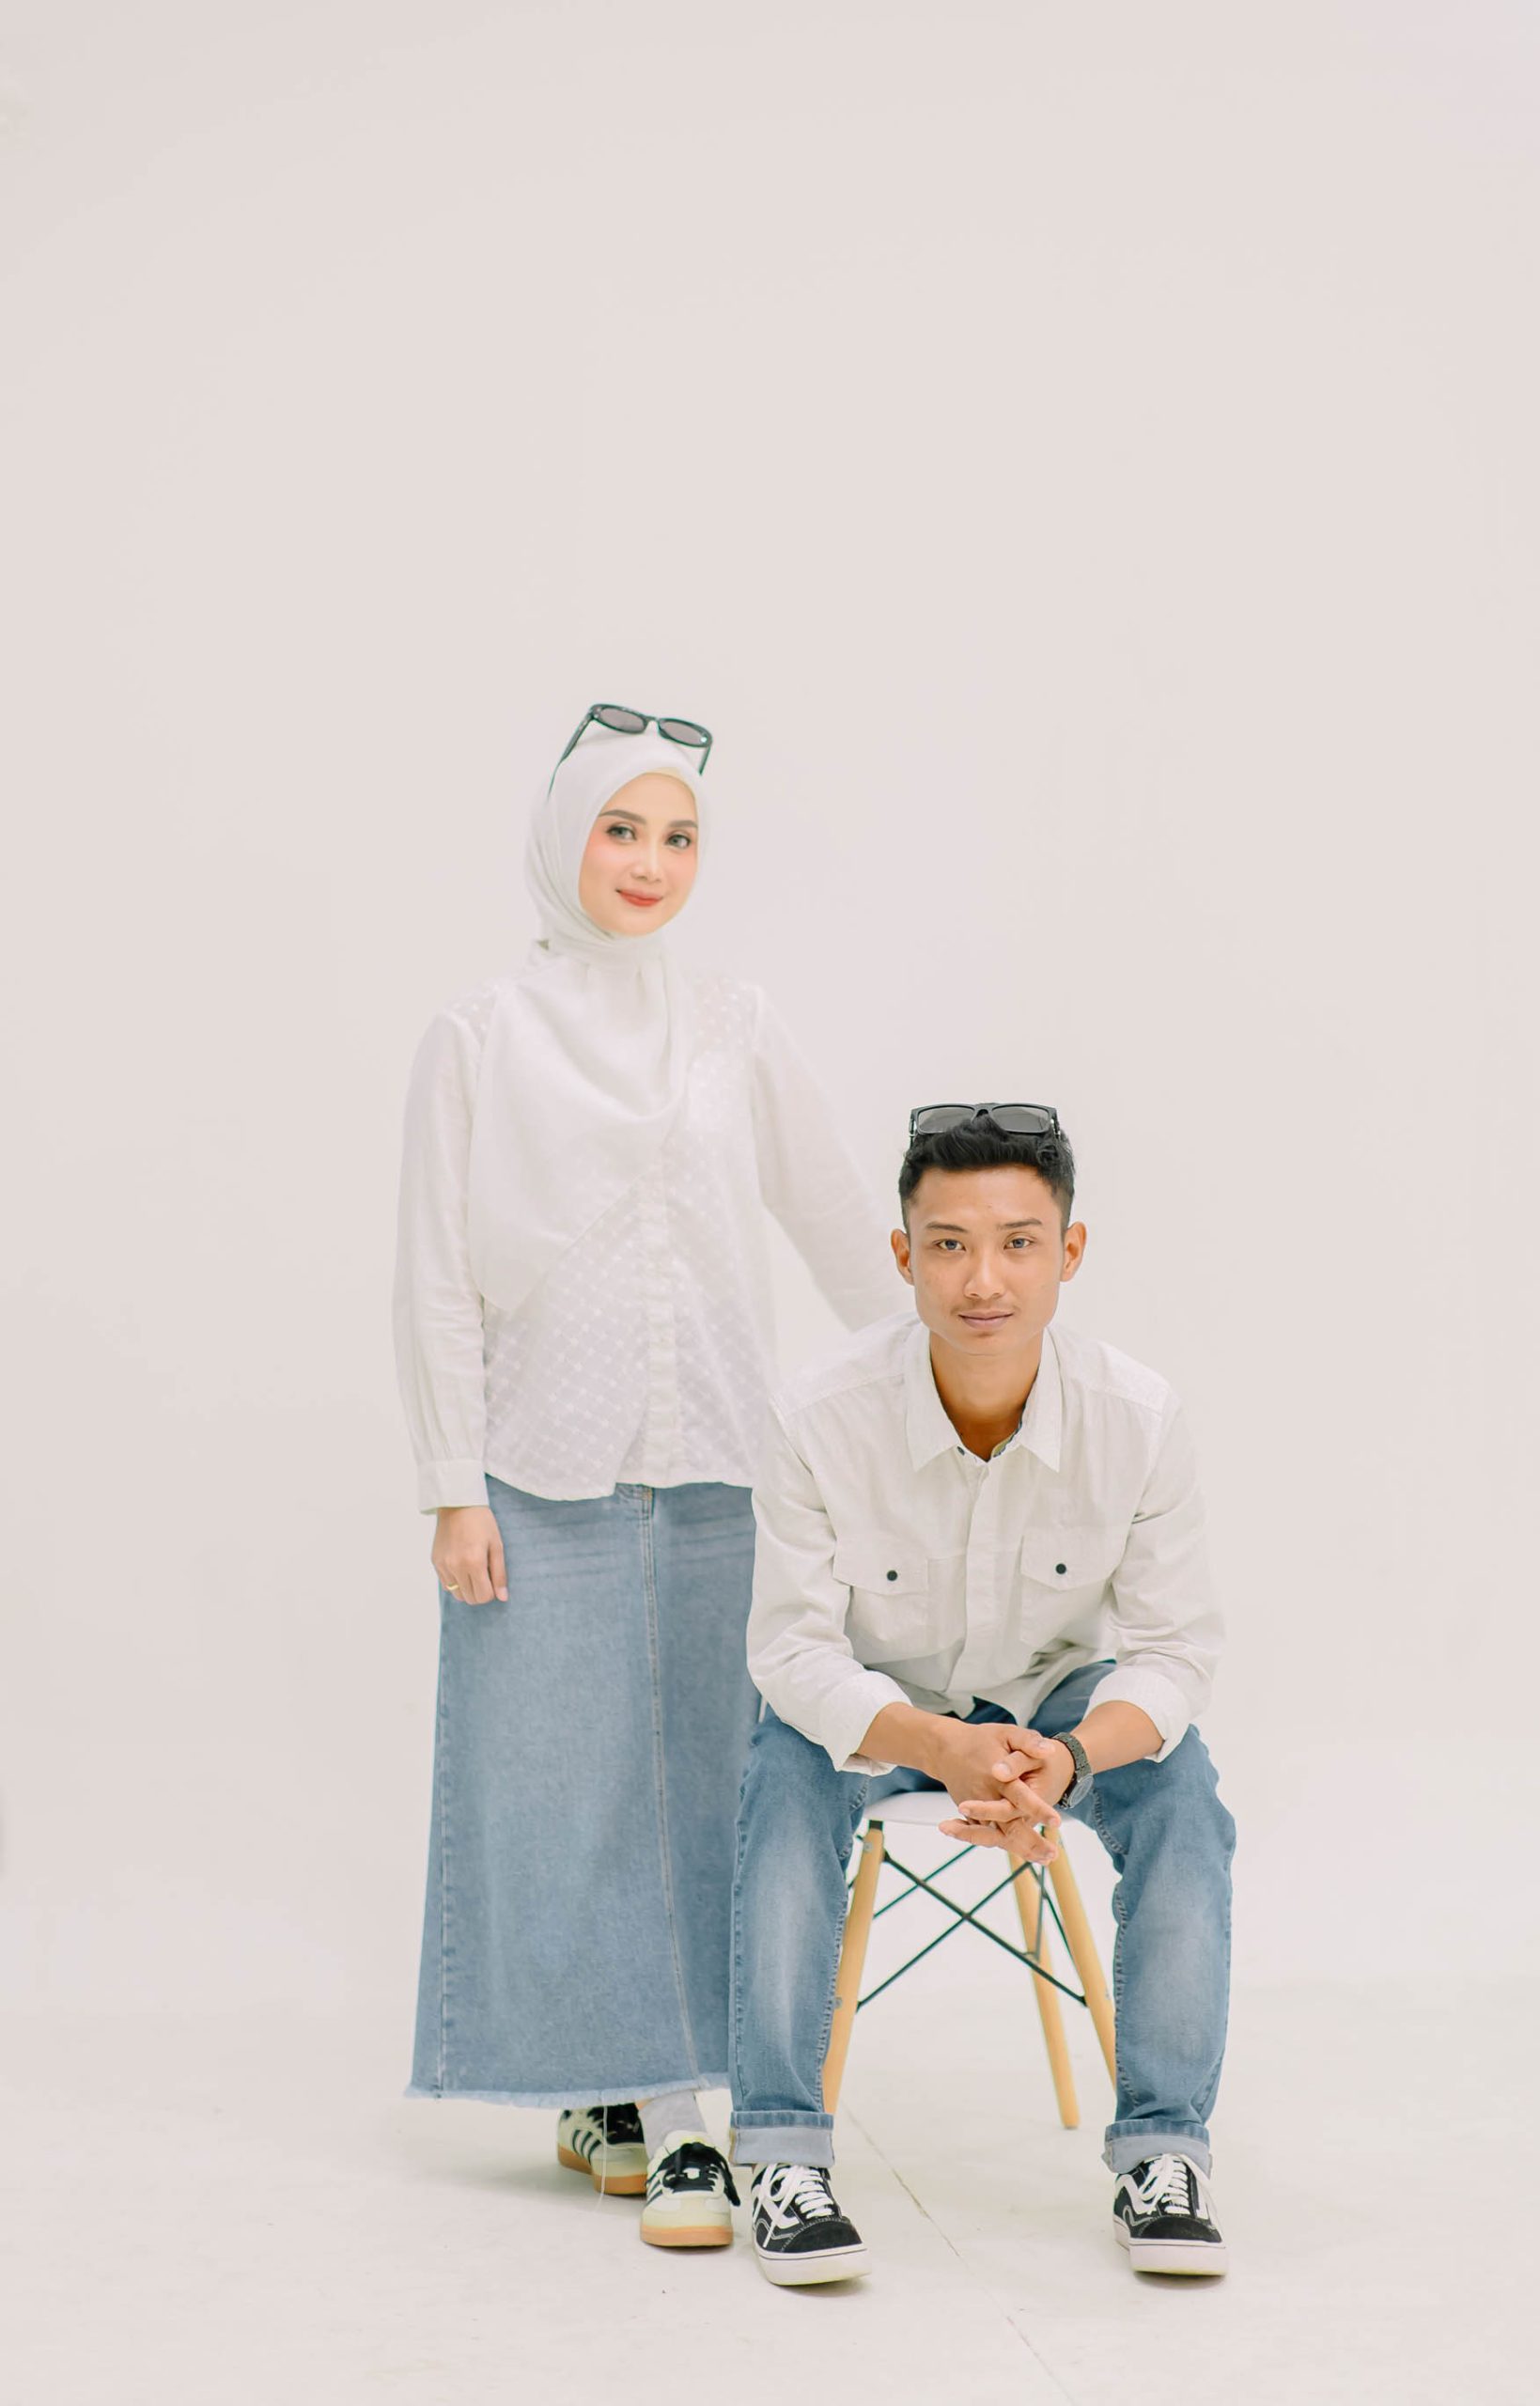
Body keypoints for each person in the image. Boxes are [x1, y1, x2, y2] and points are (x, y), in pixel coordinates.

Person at [393, 703, 904, 2251]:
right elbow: (433, 1274)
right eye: (622, 829)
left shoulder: (732, 1024)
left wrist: (931, 1381)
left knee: (709, 1785)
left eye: (679, 837)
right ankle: (633, 2096)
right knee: (563, 1794)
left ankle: (668, 2098)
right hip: (537, 1474)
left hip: (724, 1468)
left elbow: (829, 1212)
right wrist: (450, 1482)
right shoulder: (479, 1035)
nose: (650, 863)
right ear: (565, 837)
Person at [727, 1102, 1236, 2285]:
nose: (983, 1279)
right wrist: (935, 1743)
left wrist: (1069, 1758)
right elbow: (792, 1651)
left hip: (1058, 1700)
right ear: (903, 1256)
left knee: (1185, 1793)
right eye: (948, 1244)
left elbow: (1174, 1651)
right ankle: (782, 2156)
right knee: (781, 1772)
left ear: (1070, 1251)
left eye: (1018, 1242)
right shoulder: (817, 1415)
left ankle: (1164, 2152)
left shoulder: (1139, 1419)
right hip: (883, 1703)